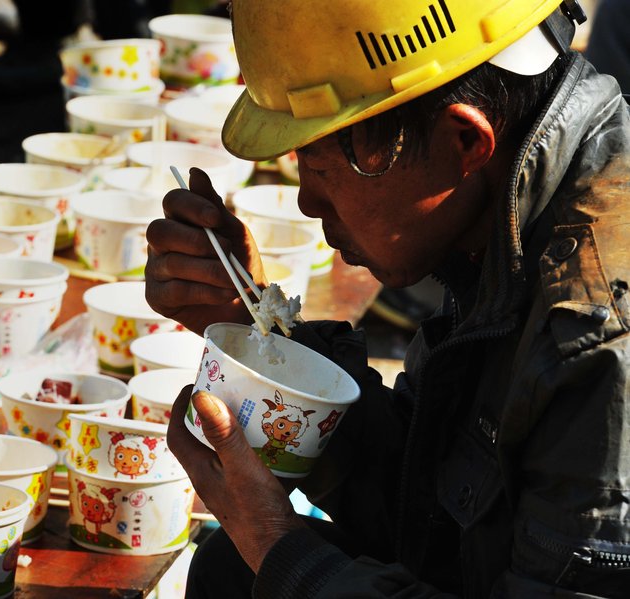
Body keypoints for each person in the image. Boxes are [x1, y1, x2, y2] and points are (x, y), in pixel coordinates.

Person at [144, 0, 630, 596]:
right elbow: (436, 506)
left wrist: (276, 543)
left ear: (462, 141)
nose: (307, 203)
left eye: (323, 167)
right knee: (232, 568)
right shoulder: (508, 211)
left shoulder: (599, 334)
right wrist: (262, 336)